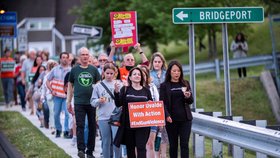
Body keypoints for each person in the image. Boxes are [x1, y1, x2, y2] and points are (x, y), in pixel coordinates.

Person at [67, 47, 101, 158]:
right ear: (79, 56)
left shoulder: (94, 70)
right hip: (79, 102)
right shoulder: (74, 70)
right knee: (80, 125)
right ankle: (81, 150)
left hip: (92, 103)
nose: (85, 56)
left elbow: (99, 85)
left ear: (89, 56)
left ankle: (90, 151)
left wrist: (99, 100)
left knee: (92, 127)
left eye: (87, 54)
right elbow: (70, 86)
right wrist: (68, 101)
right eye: (83, 54)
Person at [114, 67, 152, 158]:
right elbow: (118, 104)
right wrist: (116, 92)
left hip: (143, 125)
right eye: (134, 74)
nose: (137, 76)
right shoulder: (125, 89)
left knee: (141, 147)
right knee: (130, 149)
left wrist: (150, 104)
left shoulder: (146, 90)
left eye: (139, 74)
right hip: (128, 125)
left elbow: (152, 106)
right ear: (130, 77)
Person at [160, 60, 193, 158]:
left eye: (178, 71)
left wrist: (187, 96)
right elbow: (162, 103)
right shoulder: (164, 86)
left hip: (185, 120)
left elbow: (191, 101)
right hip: (171, 120)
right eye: (174, 71)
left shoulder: (185, 83)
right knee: (173, 145)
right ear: (169, 72)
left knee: (184, 144)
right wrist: (167, 115)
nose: (176, 73)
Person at [91, 62, 122, 158]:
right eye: (107, 73)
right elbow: (92, 102)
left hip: (116, 117)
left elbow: (122, 101)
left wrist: (118, 92)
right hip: (103, 117)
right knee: (106, 141)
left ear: (115, 73)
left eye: (111, 73)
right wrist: (98, 101)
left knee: (117, 142)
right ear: (103, 72)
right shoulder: (98, 86)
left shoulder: (119, 84)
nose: (109, 75)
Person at [46, 52, 71, 138]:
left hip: (67, 97)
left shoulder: (71, 70)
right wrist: (51, 90)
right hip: (56, 96)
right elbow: (47, 81)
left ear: (68, 59)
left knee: (68, 114)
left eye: (66, 57)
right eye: (63, 57)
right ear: (60, 59)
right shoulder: (55, 69)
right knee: (56, 114)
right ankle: (58, 129)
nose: (64, 59)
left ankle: (66, 131)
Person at [149, 52, 169, 158]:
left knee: (164, 130)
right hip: (154, 105)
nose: (157, 64)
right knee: (155, 130)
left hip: (165, 104)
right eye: (155, 61)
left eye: (159, 62)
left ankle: (164, 154)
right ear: (152, 63)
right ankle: (156, 154)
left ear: (162, 62)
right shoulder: (149, 73)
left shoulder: (167, 73)